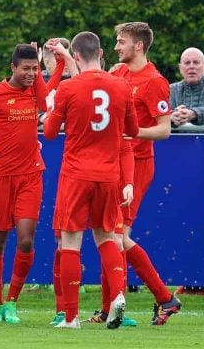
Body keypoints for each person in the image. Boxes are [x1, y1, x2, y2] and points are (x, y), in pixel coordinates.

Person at [43, 31, 139, 329]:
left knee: (71, 243)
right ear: (99, 54)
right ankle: (118, 295)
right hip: (109, 175)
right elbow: (133, 130)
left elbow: (48, 133)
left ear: (77, 56)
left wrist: (54, 111)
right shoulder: (122, 86)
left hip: (76, 173)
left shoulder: (69, 89)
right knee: (108, 237)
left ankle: (70, 318)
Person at [0, 43, 64, 324]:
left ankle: (13, 302)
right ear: (12, 67)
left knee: (26, 239)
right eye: (25, 68)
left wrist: (54, 63)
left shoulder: (34, 91)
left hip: (30, 175)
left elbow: (44, 101)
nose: (30, 73)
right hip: (0, 177)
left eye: (34, 69)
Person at [108, 21, 182, 325]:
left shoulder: (155, 81)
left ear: (138, 45)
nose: (117, 47)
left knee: (117, 235)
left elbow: (164, 129)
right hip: (115, 163)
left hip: (137, 165)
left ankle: (162, 297)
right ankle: (122, 303)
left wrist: (132, 134)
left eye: (121, 42)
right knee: (113, 235)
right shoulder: (119, 72)